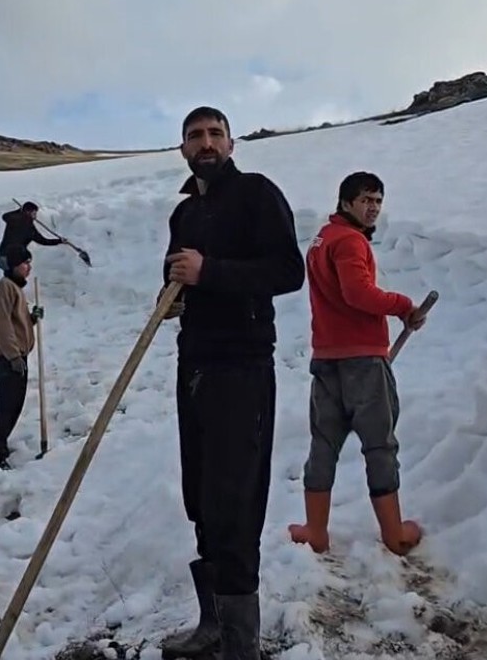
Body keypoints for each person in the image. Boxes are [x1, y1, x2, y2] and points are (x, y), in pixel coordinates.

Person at [157, 106, 305, 660]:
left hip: (241, 368)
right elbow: (179, 272)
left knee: (235, 499)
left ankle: (242, 644)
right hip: (191, 364)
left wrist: (210, 272)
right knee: (201, 495)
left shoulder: (257, 195)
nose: (206, 142)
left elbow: (288, 272)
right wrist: (172, 297)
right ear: (182, 149)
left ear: (232, 142)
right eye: (195, 136)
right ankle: (213, 623)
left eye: (215, 133)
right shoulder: (184, 214)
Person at [286, 171, 427, 559]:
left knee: (324, 442)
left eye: (378, 201)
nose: (373, 208)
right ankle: (394, 533)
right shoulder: (349, 242)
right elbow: (357, 293)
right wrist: (403, 306)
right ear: (346, 203)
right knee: (379, 444)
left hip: (327, 359)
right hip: (363, 360)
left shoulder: (322, 240)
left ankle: (316, 530)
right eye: (366, 200)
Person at [0, 244, 44, 468]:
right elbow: (1, 324)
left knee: (14, 405)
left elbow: (16, 323)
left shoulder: (16, 288)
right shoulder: (3, 287)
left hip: (17, 357)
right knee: (5, 406)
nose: (28, 268)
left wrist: (32, 318)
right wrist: (12, 356)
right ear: (13, 266)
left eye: (29, 263)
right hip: (8, 360)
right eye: (24, 264)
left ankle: (1, 446)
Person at [0, 201, 65, 272]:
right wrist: (59, 241)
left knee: (10, 278)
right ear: (28, 212)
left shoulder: (13, 219)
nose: (35, 217)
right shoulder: (29, 227)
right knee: (16, 278)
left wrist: (19, 210)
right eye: (34, 213)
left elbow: (5, 216)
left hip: (2, 257)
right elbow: (43, 241)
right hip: (14, 259)